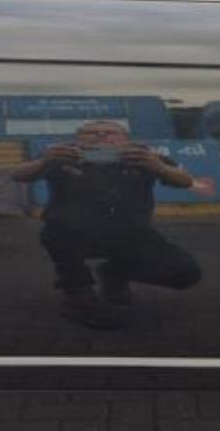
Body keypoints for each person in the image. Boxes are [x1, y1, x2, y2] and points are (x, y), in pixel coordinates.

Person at [12, 120, 202, 328]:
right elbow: (18, 175)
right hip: (71, 234)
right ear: (78, 138)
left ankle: (114, 272)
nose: (101, 135)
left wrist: (159, 167)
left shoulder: (144, 156)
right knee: (56, 235)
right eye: (92, 132)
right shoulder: (62, 155)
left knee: (186, 273)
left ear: (126, 140)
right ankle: (77, 292)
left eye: (111, 132)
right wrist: (44, 163)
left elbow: (185, 181)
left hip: (133, 235)